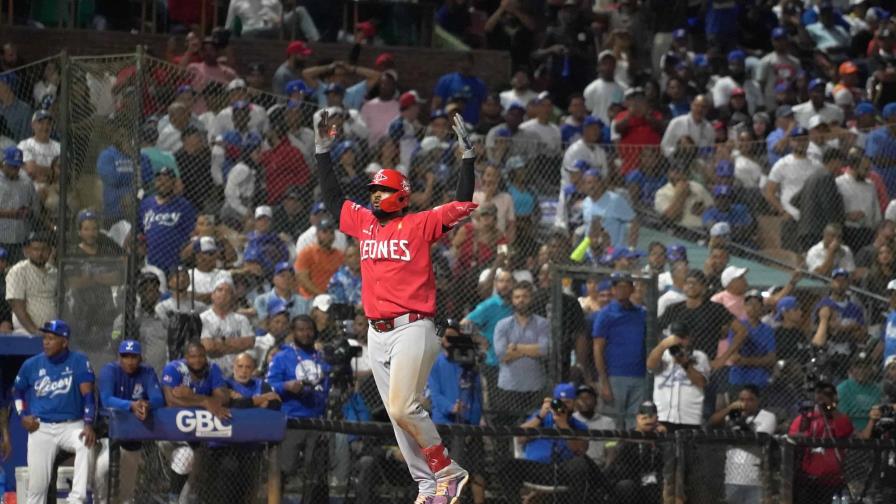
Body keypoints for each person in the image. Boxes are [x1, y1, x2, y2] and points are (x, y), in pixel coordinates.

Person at [316, 109, 478, 501]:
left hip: (412, 326)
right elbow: (334, 198)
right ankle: (427, 484)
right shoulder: (365, 223)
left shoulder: (419, 223)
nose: (375, 195)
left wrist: (468, 160)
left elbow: (461, 202)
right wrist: (322, 151)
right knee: (396, 414)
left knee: (404, 407)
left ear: (401, 195)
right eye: (373, 190)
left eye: (383, 190)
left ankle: (447, 470)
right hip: (376, 332)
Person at [12, 320, 96, 504]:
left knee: (85, 442)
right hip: (40, 427)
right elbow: (17, 391)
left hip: (71, 425)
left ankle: (76, 499)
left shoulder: (78, 361)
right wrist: (22, 415)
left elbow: (88, 395)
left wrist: (88, 424)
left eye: (51, 338)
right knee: (37, 489)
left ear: (64, 342)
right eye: (45, 338)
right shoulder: (32, 364)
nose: (46, 342)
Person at [266, 315, 331, 501]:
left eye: (309, 329)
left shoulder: (321, 357)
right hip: (292, 421)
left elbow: (328, 385)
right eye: (301, 330)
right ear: (293, 332)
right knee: (285, 468)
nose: (306, 334)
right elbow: (268, 385)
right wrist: (286, 386)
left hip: (317, 421)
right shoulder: (282, 357)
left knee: (315, 472)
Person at [501, 383, 599, 503]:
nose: (563, 406)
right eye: (560, 402)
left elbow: (579, 451)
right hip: (536, 468)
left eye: (567, 402)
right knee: (506, 464)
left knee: (580, 464)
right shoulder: (541, 417)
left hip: (562, 470)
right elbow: (519, 438)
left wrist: (564, 425)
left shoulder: (579, 425)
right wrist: (540, 416)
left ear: (574, 403)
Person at [93, 340, 164, 504]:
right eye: (125, 357)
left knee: (127, 489)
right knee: (102, 470)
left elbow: (158, 399)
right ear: (119, 357)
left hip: (132, 436)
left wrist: (147, 404)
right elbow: (106, 399)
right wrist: (131, 405)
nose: (129, 361)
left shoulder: (147, 372)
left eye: (133, 357)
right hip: (108, 434)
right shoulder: (109, 370)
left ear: (140, 358)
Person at [160, 342, 230, 501]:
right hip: (170, 432)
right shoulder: (174, 368)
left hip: (197, 435)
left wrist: (191, 396)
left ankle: (177, 499)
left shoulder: (212, 368)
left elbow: (223, 398)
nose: (197, 360)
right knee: (185, 457)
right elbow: (171, 401)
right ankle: (173, 498)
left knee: (191, 476)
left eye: (201, 356)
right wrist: (205, 401)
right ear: (186, 357)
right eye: (193, 356)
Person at [427, 320, 486, 504]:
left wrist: (472, 424)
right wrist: (451, 408)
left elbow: (477, 398)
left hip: (468, 426)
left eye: (454, 337)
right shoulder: (436, 362)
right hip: (444, 425)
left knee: (478, 473)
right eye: (447, 337)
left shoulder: (468, 362)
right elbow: (435, 395)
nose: (449, 341)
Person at [592, 272, 648, 429]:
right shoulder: (605, 314)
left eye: (626, 286)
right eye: (618, 287)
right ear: (613, 290)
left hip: (639, 376)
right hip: (614, 376)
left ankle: (632, 446)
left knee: (636, 424)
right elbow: (598, 348)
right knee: (611, 424)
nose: (622, 290)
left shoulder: (642, 313)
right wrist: (604, 382)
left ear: (632, 289)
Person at [707, 385, 777, 504]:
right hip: (732, 477)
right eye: (742, 400)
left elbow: (756, 439)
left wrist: (737, 429)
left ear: (758, 400)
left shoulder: (767, 416)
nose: (745, 404)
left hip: (756, 478)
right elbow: (711, 423)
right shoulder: (733, 415)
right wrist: (729, 409)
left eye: (750, 400)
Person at [787, 382, 854, 504]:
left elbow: (845, 431)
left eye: (827, 394)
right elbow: (793, 436)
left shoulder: (839, 417)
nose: (822, 397)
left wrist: (830, 408)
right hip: (806, 477)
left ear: (834, 397)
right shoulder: (805, 417)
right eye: (819, 393)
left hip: (831, 479)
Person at [493, 281, 550, 418]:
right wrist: (532, 349)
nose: (521, 300)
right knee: (508, 427)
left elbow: (544, 349)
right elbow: (502, 354)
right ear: (512, 300)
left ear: (532, 299)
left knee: (534, 425)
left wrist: (516, 347)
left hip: (535, 387)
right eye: (517, 297)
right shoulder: (503, 325)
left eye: (525, 296)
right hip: (508, 387)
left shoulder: (543, 323)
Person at [647, 321, 710, 429]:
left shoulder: (699, 356)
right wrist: (662, 346)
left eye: (682, 337)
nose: (678, 341)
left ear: (689, 338)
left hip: (690, 418)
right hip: (662, 417)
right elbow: (650, 365)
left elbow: (701, 382)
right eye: (675, 338)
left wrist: (684, 363)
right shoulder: (662, 355)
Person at [138, 165, 197, 273]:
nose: (163, 183)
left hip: (175, 265)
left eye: (167, 180)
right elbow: (139, 232)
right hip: (151, 264)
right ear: (155, 182)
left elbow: (193, 233)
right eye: (159, 180)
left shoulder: (184, 206)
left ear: (173, 183)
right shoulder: (146, 204)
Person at [607, 401, 666, 504]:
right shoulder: (627, 437)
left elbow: (664, 465)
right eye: (644, 416)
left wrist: (659, 440)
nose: (647, 419)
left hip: (652, 483)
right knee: (626, 485)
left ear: (656, 419)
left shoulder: (661, 439)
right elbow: (621, 469)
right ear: (637, 418)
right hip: (630, 481)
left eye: (651, 416)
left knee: (656, 486)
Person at [200, 276, 256, 376]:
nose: (224, 294)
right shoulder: (203, 319)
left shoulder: (241, 319)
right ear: (212, 295)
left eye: (228, 291)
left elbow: (249, 343)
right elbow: (208, 347)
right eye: (220, 290)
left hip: (237, 373)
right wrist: (238, 345)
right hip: (210, 372)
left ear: (233, 297)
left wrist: (220, 342)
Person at [5, 231, 56, 335]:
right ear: (26, 251)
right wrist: (34, 331)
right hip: (26, 332)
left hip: (53, 331)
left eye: (44, 249)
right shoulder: (18, 271)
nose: (40, 253)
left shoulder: (54, 272)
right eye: (35, 249)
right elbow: (17, 306)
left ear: (50, 251)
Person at [728, 290, 777, 390]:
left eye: (757, 304)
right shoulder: (736, 327)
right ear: (745, 307)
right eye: (749, 304)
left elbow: (771, 359)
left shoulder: (768, 330)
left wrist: (745, 360)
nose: (753, 307)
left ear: (762, 307)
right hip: (739, 379)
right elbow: (734, 358)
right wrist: (759, 360)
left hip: (760, 379)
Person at [0, 146, 39, 263]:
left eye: (17, 166)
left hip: (21, 238)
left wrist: (28, 212)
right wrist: (11, 213)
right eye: (12, 166)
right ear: (4, 163)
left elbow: (35, 207)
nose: (15, 170)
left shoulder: (26, 181)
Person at [294, 217, 345, 298]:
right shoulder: (307, 253)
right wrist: (322, 295)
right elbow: (302, 279)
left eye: (331, 232)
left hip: (333, 297)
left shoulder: (339, 255)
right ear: (317, 234)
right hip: (310, 298)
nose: (328, 236)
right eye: (324, 232)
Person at [571, 384, 616, 466]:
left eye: (588, 398)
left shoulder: (607, 422)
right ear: (575, 402)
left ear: (595, 401)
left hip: (599, 465)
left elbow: (611, 448)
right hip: (576, 466)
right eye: (580, 398)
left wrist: (607, 468)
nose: (584, 401)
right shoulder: (570, 420)